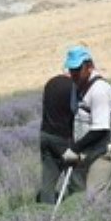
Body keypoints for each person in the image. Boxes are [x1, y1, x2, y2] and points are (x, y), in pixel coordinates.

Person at [61, 45, 111, 202]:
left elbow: (101, 129)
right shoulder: (76, 88)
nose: (73, 74)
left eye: (77, 69)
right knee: (76, 192)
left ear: (89, 67)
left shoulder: (99, 90)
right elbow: (74, 117)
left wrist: (75, 149)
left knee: (94, 196)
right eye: (71, 70)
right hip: (89, 150)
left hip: (108, 151)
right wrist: (71, 145)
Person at [37, 68, 79, 203]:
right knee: (76, 175)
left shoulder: (51, 83)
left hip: (46, 135)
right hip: (64, 138)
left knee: (48, 178)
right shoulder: (72, 86)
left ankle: (44, 207)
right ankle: (76, 205)